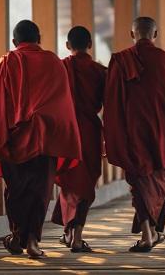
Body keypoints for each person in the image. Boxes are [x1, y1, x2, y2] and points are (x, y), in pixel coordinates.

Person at [0, 20, 82, 259]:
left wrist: (15, 115)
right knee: (40, 190)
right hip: (45, 138)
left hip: (15, 139)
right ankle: (33, 241)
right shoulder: (54, 63)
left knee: (16, 190)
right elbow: (62, 104)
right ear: (39, 38)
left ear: (15, 42)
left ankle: (18, 236)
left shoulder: (7, 62)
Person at [103, 16, 165, 252]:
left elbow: (112, 102)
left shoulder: (120, 60)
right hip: (161, 134)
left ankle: (150, 233)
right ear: (154, 35)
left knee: (138, 181)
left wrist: (111, 135)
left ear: (132, 34)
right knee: (158, 181)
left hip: (133, 132)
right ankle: (150, 234)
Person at [52, 26, 107, 253]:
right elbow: (113, 104)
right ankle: (75, 236)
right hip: (91, 131)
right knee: (85, 183)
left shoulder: (60, 69)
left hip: (66, 132)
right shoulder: (100, 71)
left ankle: (70, 233)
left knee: (69, 181)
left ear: (67, 46)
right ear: (90, 45)